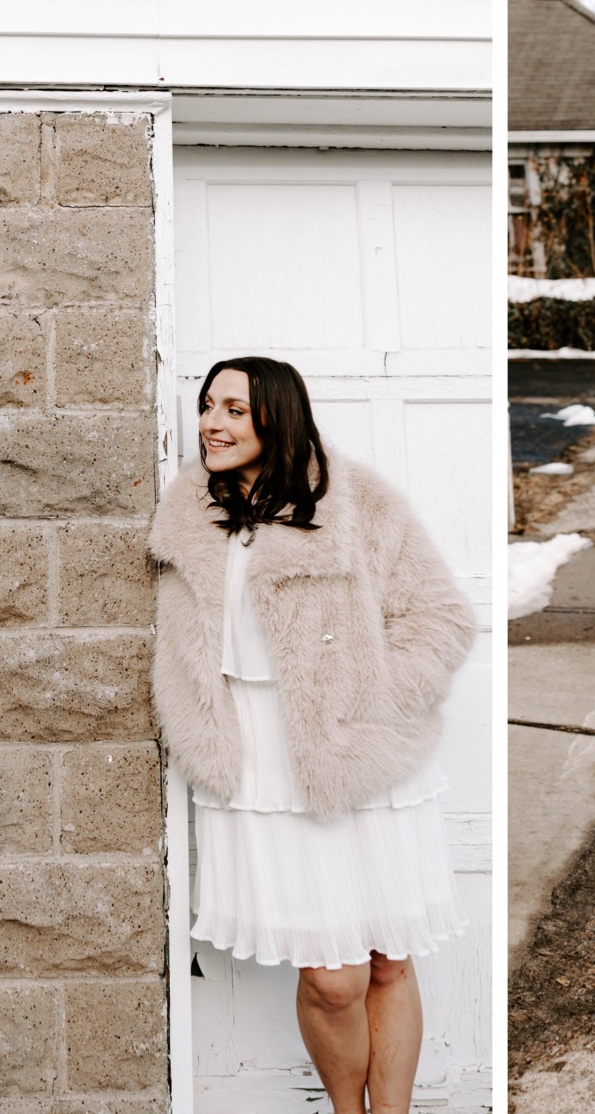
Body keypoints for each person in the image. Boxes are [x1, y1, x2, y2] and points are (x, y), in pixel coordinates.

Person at [150, 357, 474, 1114]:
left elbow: (441, 617)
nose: (211, 423)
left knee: (388, 962)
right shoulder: (189, 516)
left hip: (361, 754)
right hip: (258, 764)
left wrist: (379, 701)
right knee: (333, 979)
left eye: (234, 409)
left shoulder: (354, 500)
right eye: (207, 406)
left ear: (278, 416)